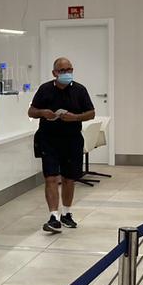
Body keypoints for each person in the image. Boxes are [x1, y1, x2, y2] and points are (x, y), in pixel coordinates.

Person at [28, 57, 95, 234]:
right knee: (50, 177)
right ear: (54, 73)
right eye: (62, 70)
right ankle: (53, 216)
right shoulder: (45, 89)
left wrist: (75, 117)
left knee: (68, 178)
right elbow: (31, 111)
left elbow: (91, 113)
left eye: (69, 70)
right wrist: (43, 112)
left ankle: (66, 213)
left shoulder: (80, 90)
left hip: (72, 139)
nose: (67, 73)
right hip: (48, 139)